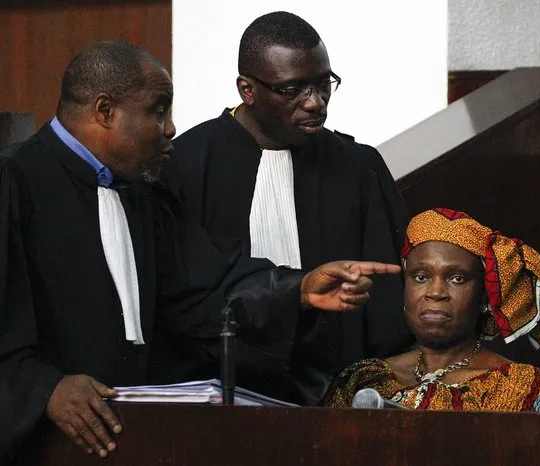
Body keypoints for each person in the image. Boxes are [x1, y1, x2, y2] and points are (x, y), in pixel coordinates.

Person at [0, 40, 401, 459]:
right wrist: (44, 388)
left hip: (132, 439)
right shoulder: (15, 182)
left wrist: (297, 289)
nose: (170, 128)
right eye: (158, 111)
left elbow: (209, 285)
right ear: (105, 111)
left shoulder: (142, 195)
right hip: (39, 445)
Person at [163, 11, 413, 405]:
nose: (315, 103)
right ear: (247, 89)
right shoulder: (186, 165)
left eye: (323, 83)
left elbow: (387, 309)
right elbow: (182, 299)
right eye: (293, 89)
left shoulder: (358, 166)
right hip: (218, 398)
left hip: (340, 397)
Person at [323, 208, 540, 412]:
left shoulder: (517, 386)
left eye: (457, 278)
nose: (435, 292)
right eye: (420, 276)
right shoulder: (364, 379)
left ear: (483, 298)